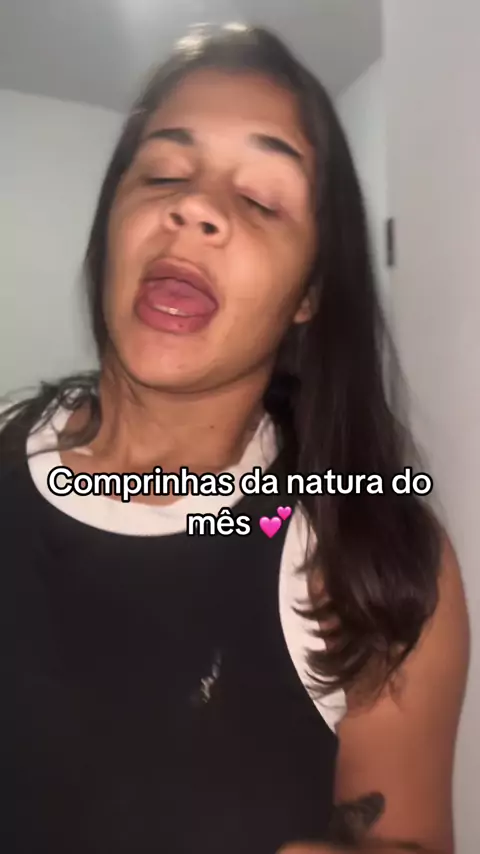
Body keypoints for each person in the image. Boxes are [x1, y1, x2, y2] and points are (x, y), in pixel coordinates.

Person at [1, 23, 469, 854]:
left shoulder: (368, 562)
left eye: (260, 200)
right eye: (163, 173)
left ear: (310, 294)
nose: (194, 208)